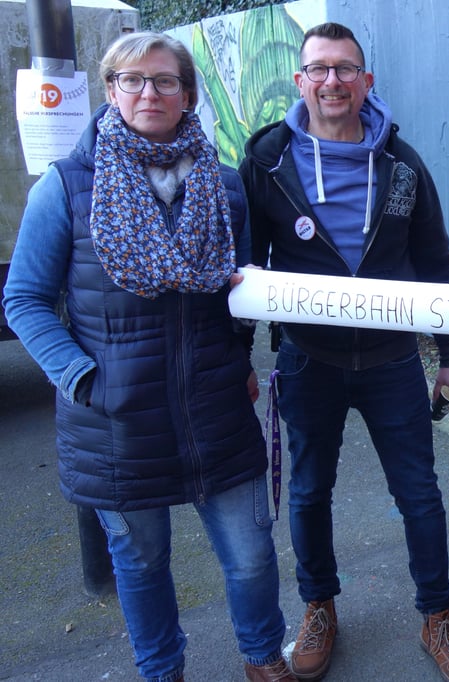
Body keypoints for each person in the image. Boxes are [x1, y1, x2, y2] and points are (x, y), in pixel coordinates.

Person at [2, 32, 295, 682]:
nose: (148, 92)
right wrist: (79, 377)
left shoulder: (224, 186)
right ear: (110, 92)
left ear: (187, 93)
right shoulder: (69, 187)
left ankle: (263, 656)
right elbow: (22, 299)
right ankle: (162, 670)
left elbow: (236, 291)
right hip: (117, 423)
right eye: (132, 81)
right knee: (140, 563)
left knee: (250, 555)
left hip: (215, 411)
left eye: (164, 80)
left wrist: (241, 360)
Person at [238, 22, 449, 682]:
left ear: (366, 80)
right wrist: (241, 364)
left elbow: (435, 263)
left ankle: (438, 619)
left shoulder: (402, 166)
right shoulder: (265, 162)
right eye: (319, 69)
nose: (333, 81)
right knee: (310, 494)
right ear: (300, 81)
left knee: (421, 498)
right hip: (307, 362)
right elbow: (242, 271)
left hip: (393, 362)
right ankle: (319, 609)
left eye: (345, 69)